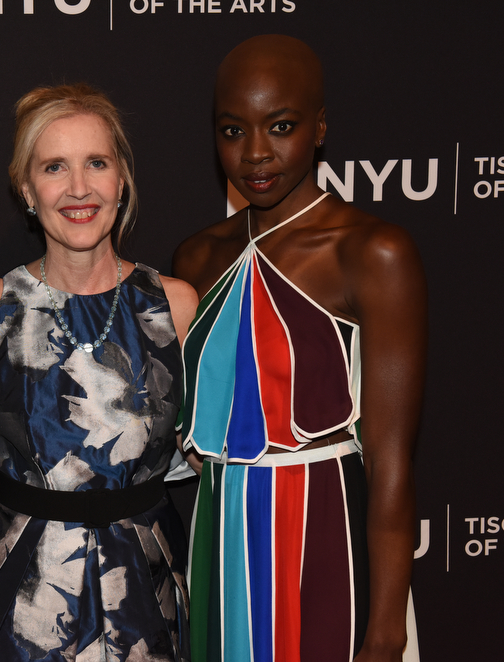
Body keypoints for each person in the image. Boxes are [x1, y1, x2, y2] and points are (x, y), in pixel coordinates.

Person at [173, 36, 425, 662]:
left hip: (324, 542)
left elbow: (391, 465)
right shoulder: (195, 258)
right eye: (233, 130)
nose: (255, 153)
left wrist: (386, 635)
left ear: (319, 127)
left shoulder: (372, 254)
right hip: (220, 540)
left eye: (279, 126)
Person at [0, 84, 198, 661]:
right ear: (26, 188)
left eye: (97, 163)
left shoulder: (176, 305)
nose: (79, 188)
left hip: (145, 586)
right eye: (54, 167)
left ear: (121, 180)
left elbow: (217, 458)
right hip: (19, 593)